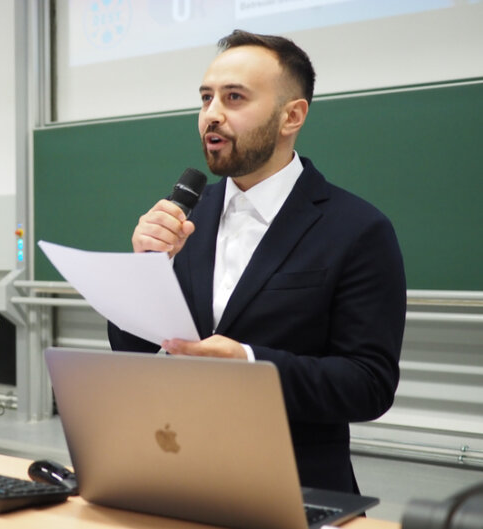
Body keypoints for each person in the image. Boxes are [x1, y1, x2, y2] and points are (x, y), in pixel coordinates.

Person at [107, 30, 406, 494]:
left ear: (292, 115)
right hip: (174, 478)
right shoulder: (185, 216)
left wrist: (250, 365)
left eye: (234, 97)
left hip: (295, 492)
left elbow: (369, 384)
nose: (212, 115)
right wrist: (144, 274)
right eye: (206, 98)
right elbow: (134, 353)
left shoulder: (358, 229)